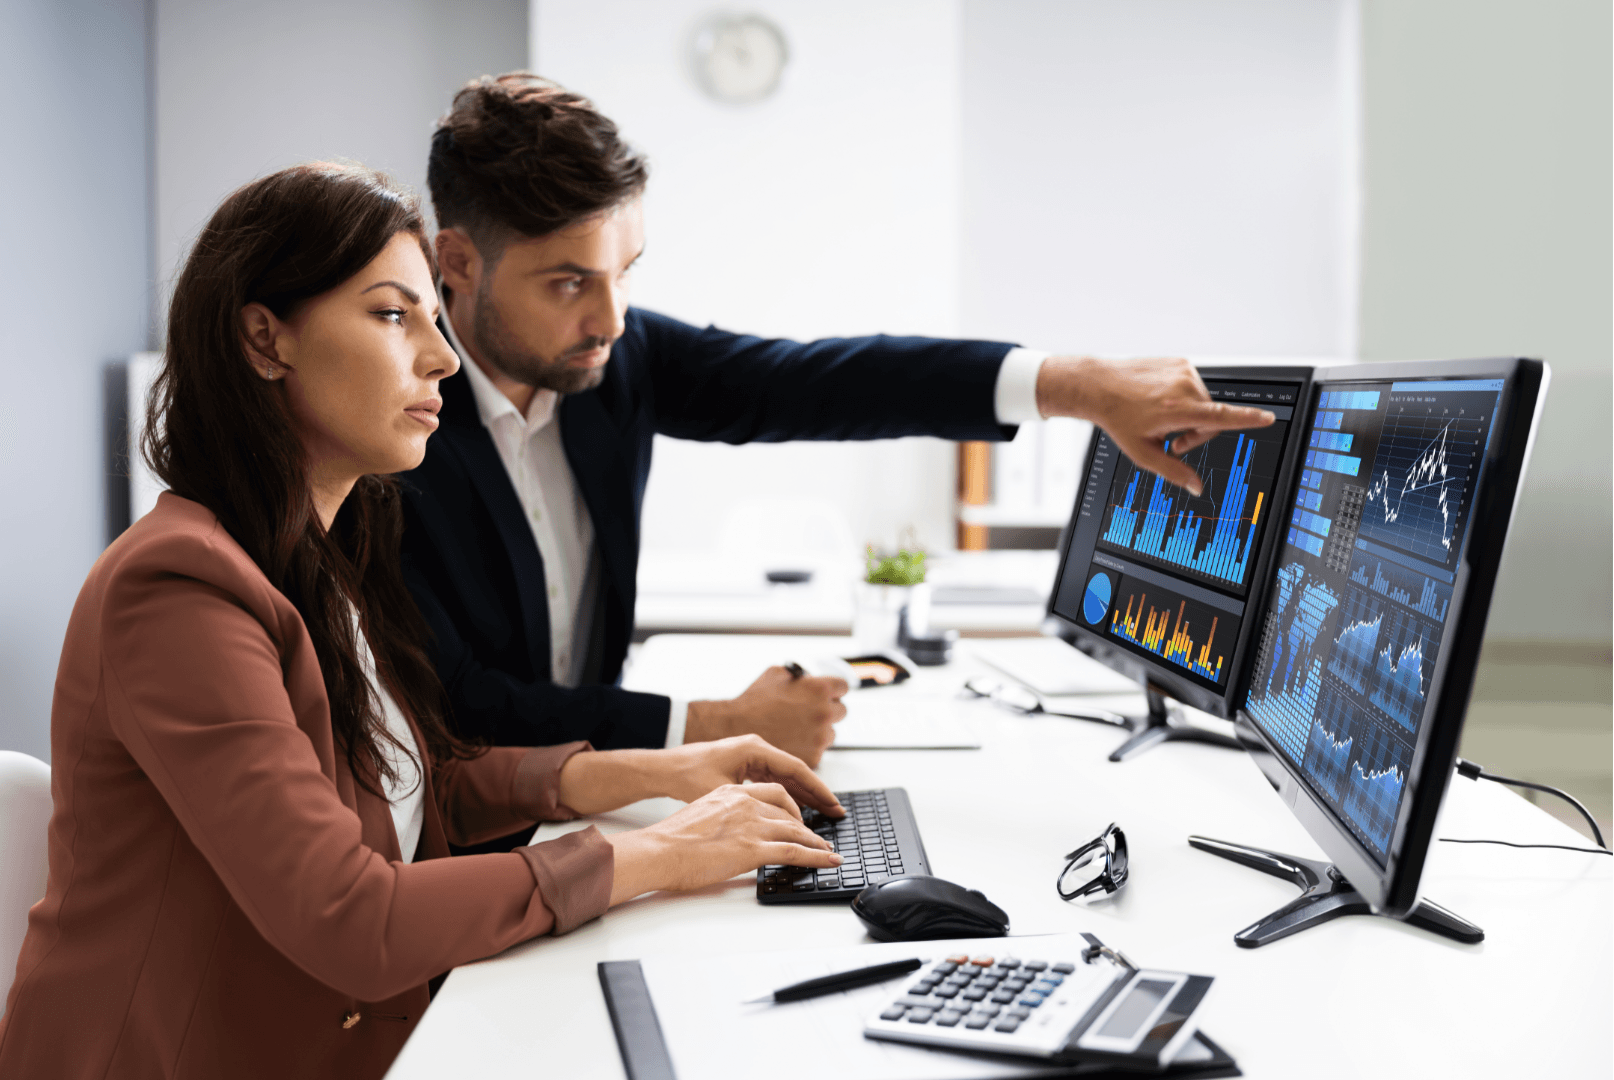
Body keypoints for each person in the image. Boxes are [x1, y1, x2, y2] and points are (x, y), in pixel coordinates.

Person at [0, 163, 844, 1080]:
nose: (441, 357)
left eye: (433, 321)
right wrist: (661, 854)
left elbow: (409, 795)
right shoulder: (176, 590)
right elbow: (350, 915)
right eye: (394, 315)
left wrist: (657, 771)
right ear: (264, 338)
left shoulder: (320, 551)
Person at [401, 73, 1276, 769]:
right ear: (458, 261)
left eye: (626, 271)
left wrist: (1070, 385)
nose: (613, 317)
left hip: (605, 801)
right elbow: (458, 701)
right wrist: (713, 722)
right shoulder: (390, 431)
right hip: (472, 849)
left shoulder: (613, 358)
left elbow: (820, 381)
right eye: (568, 282)